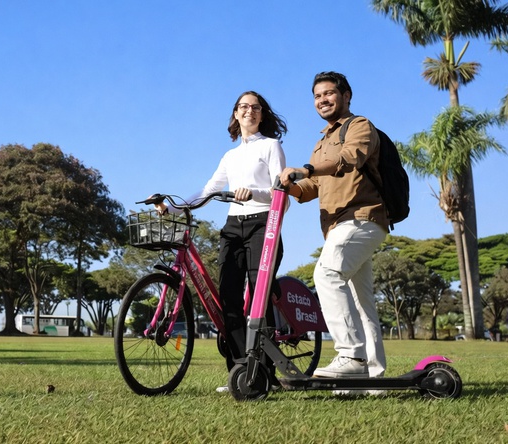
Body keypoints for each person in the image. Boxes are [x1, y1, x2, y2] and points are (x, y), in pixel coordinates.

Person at [157, 91, 288, 389]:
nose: (249, 111)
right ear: (236, 114)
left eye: (256, 107)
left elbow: (281, 194)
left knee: (258, 296)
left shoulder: (271, 146)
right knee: (228, 297)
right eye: (244, 107)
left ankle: (265, 373)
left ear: (262, 114)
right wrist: (172, 207)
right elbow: (208, 191)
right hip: (233, 226)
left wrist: (253, 192)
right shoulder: (230, 156)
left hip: (262, 224)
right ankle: (240, 372)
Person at [279, 71, 388, 380]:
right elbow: (310, 188)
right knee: (361, 302)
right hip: (338, 226)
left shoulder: (359, 126)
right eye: (317, 96)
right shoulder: (321, 142)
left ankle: (351, 355)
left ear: (346, 96)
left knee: (327, 274)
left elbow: (351, 158)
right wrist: (288, 185)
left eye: (328, 93)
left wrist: (306, 169)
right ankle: (371, 375)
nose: (322, 100)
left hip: (361, 217)